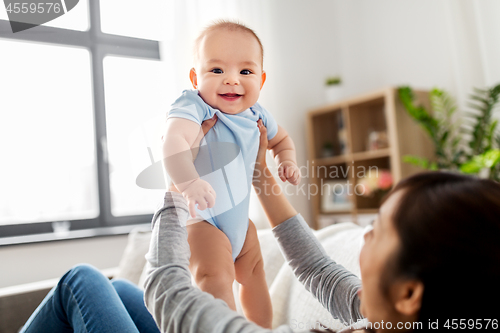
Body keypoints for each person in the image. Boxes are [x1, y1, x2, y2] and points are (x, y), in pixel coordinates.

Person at [20, 120, 500, 332]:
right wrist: (260, 176)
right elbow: (315, 268)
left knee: (81, 282)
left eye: (379, 229)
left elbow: (169, 293)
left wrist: (177, 186)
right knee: (120, 292)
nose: (365, 235)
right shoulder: (389, 318)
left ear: (410, 292)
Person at [162, 20, 299, 328]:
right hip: (204, 221)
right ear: (196, 77)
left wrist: (286, 159)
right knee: (216, 279)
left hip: (241, 225)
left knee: (254, 276)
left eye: (245, 72)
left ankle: (260, 329)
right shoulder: (194, 105)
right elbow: (173, 143)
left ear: (261, 80)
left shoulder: (258, 114)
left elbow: (281, 140)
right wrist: (189, 183)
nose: (232, 81)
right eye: (217, 70)